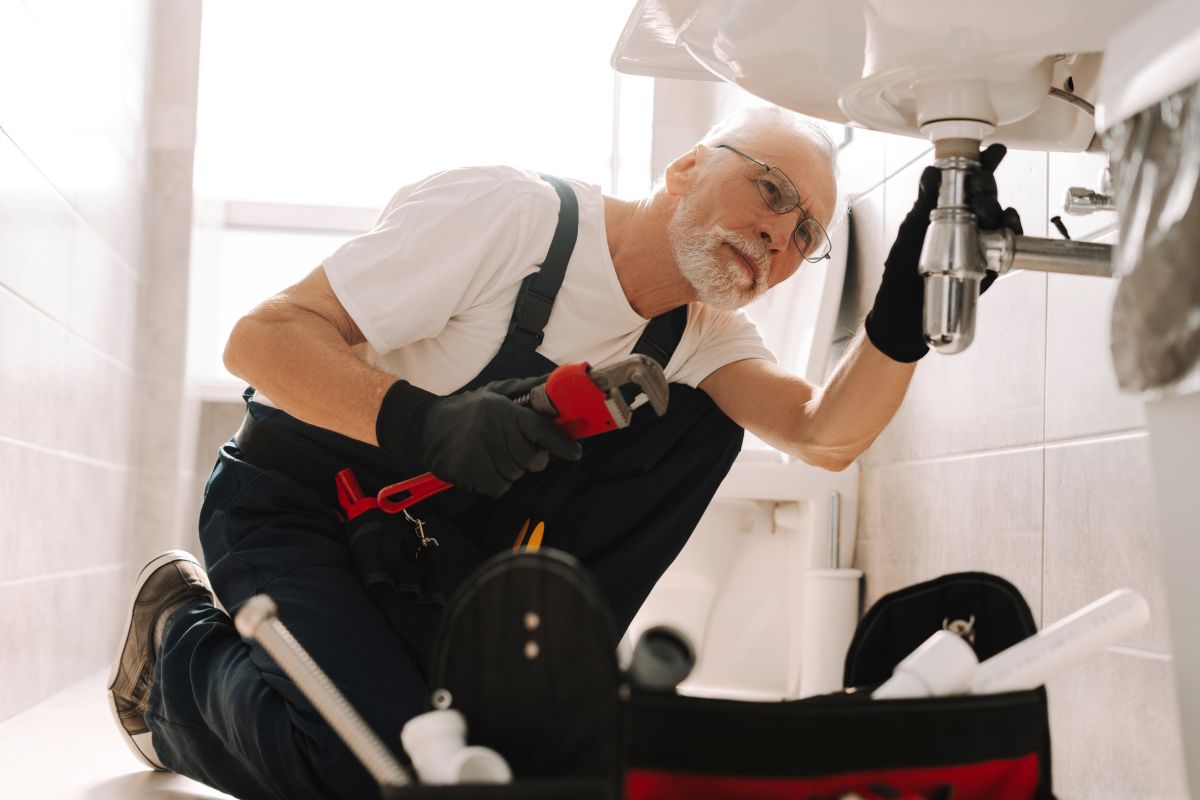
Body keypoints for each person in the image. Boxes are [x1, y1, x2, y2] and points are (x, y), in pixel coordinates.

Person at [106, 105, 1019, 799]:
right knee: (380, 777)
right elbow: (262, 340)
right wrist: (427, 423)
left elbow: (823, 434)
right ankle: (177, 653)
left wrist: (906, 314)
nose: (779, 237)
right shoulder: (513, 218)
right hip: (292, 505)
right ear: (688, 165)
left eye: (804, 237)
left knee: (483, 769)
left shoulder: (702, 337)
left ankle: (534, 673)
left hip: (423, 546)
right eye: (771, 193)